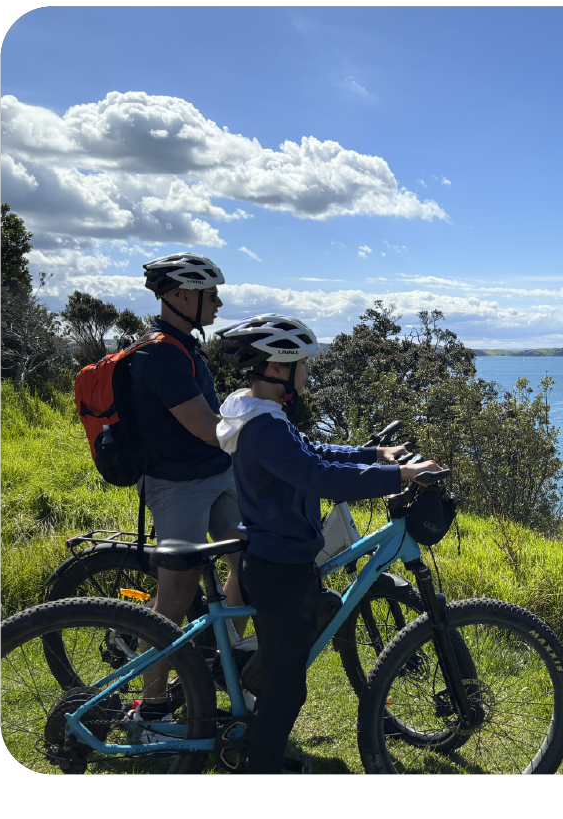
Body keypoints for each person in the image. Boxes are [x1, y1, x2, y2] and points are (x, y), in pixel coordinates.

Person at [215, 314, 442, 774]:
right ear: (278, 367)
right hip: (280, 567)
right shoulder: (265, 426)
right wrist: (399, 474)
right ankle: (263, 772)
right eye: (301, 362)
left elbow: (314, 452)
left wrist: (373, 455)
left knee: (287, 663)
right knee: (286, 685)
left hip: (275, 558)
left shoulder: (260, 416)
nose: (307, 370)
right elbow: (316, 475)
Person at [128, 252, 247, 727]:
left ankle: (229, 666)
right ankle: (151, 705)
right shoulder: (159, 353)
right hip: (178, 485)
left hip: (218, 476)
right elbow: (205, 426)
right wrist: (266, 439)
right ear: (179, 295)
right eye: (210, 293)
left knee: (251, 563)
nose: (218, 301)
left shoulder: (185, 347)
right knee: (175, 595)